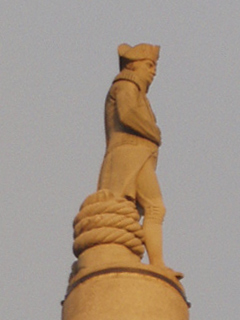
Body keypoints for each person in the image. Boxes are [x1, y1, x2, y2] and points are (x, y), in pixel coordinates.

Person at [97, 43, 167, 269]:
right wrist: (154, 133)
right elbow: (127, 114)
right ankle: (157, 263)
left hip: (136, 154)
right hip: (129, 154)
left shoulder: (134, 89)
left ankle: (155, 262)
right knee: (154, 207)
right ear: (134, 66)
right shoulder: (127, 84)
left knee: (136, 211)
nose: (153, 71)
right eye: (149, 65)